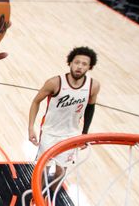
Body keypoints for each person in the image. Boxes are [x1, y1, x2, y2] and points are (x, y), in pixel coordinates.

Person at [28, 46, 100, 185]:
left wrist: (84, 133)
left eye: (84, 64)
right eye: (76, 62)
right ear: (70, 63)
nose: (79, 66)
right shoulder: (55, 82)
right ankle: (36, 198)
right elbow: (36, 102)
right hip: (50, 132)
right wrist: (31, 127)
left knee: (61, 171)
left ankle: (52, 196)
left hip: (71, 134)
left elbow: (90, 109)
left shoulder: (93, 86)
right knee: (44, 169)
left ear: (89, 67)